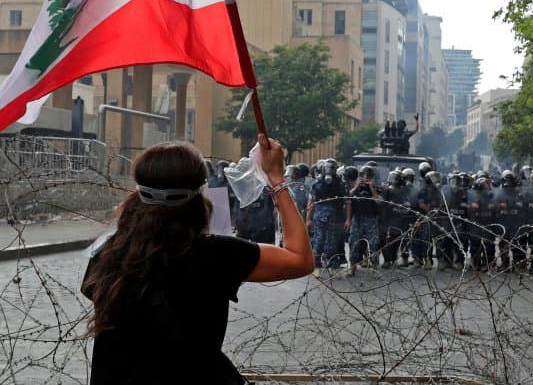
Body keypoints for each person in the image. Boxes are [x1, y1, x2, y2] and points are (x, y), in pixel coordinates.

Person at [81, 135, 313, 385]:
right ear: (200, 193)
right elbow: (300, 258)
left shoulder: (108, 254)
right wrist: (276, 179)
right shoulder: (215, 255)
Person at [307, 159, 348, 276]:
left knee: (333, 243)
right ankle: (316, 266)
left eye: (332, 168)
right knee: (318, 242)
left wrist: (348, 219)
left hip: (336, 218)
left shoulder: (341, 184)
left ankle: (333, 266)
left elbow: (348, 202)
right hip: (320, 219)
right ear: (323, 169)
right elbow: (311, 202)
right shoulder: (317, 184)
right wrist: (308, 219)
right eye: (327, 168)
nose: (330, 170)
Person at [346, 165, 382, 275]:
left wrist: (371, 188)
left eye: (368, 176)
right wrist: (357, 186)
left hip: (371, 219)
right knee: (354, 242)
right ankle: (352, 266)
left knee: (373, 244)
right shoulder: (355, 188)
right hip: (357, 219)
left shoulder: (376, 188)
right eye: (363, 175)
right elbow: (348, 199)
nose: (365, 178)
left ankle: (375, 266)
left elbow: (379, 201)